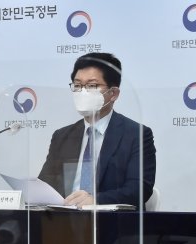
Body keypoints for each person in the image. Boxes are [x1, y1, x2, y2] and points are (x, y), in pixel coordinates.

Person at [38, 53, 156, 207]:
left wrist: (96, 201)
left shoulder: (136, 135)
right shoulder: (62, 136)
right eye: (77, 85)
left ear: (113, 93)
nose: (82, 92)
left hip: (110, 219)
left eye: (92, 86)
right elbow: (45, 185)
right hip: (64, 217)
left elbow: (139, 189)